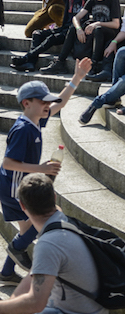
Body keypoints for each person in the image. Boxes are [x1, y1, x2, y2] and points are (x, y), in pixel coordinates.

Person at [1, 74, 90, 284]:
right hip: (14, 189)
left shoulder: (35, 121)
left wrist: (77, 77)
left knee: (29, 230)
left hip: (18, 186)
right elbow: (8, 163)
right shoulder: (23, 129)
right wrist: (41, 169)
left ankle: (6, 272)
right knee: (40, 222)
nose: (48, 106)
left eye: (48, 102)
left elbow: (62, 102)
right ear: (27, 103)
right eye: (43, 102)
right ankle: (17, 250)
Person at [0, 173, 109, 314]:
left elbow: (35, 303)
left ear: (22, 206)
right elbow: (33, 276)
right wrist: (8, 306)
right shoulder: (63, 222)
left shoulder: (49, 243)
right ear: (54, 197)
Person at [40, 0, 121, 76]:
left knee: (99, 29)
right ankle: (60, 62)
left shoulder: (113, 0)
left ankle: (94, 65)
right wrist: (78, 29)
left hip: (109, 33)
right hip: (96, 33)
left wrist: (96, 23)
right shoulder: (92, 1)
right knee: (73, 27)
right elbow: (76, 17)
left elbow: (116, 24)